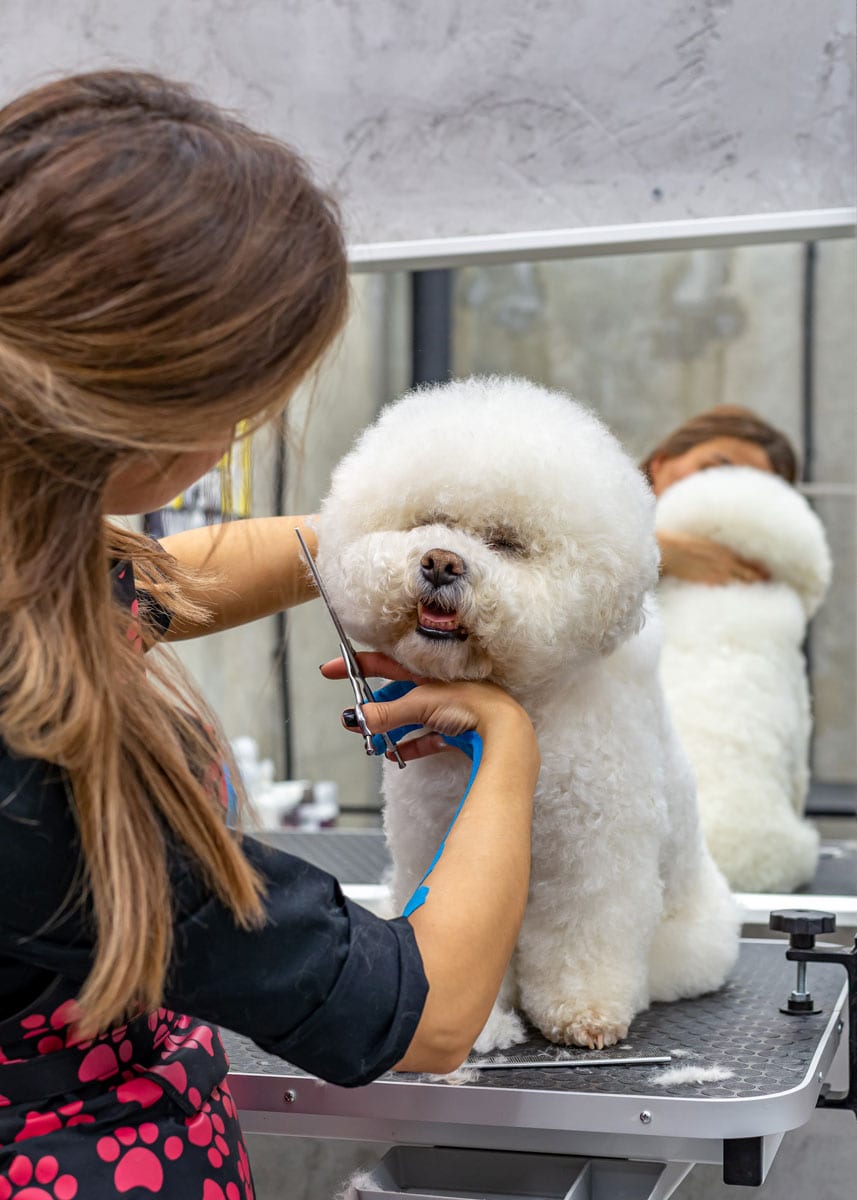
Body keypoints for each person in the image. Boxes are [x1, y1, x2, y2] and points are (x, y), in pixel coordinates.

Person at [0, 72, 540, 1197]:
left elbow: (148, 581)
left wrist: (363, 547)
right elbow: (429, 1011)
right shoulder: (38, 765)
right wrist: (504, 740)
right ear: (167, 422)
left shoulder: (34, 570)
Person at [642, 405, 799, 585]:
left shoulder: (756, 584)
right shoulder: (605, 511)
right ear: (660, 463)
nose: (723, 492)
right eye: (710, 469)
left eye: (751, 493)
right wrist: (658, 551)